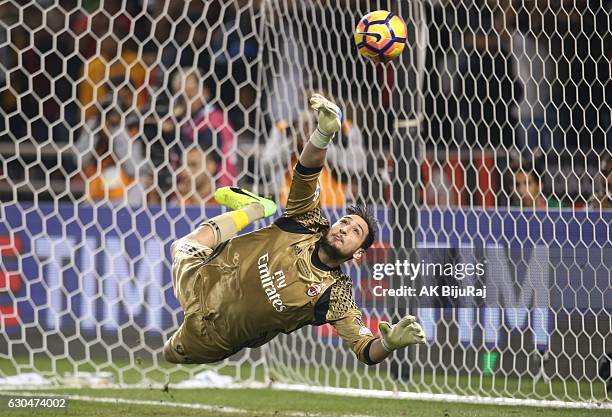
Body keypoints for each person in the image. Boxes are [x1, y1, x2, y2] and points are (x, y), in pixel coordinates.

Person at [163, 94, 425, 365]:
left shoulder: (334, 294)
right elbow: (306, 170)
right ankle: (253, 208)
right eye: (344, 221)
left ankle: (252, 208)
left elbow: (365, 350)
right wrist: (323, 132)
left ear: (357, 254)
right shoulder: (306, 222)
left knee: (169, 355)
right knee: (182, 246)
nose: (345, 229)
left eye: (355, 232)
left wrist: (388, 343)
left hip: (215, 336)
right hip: (203, 276)